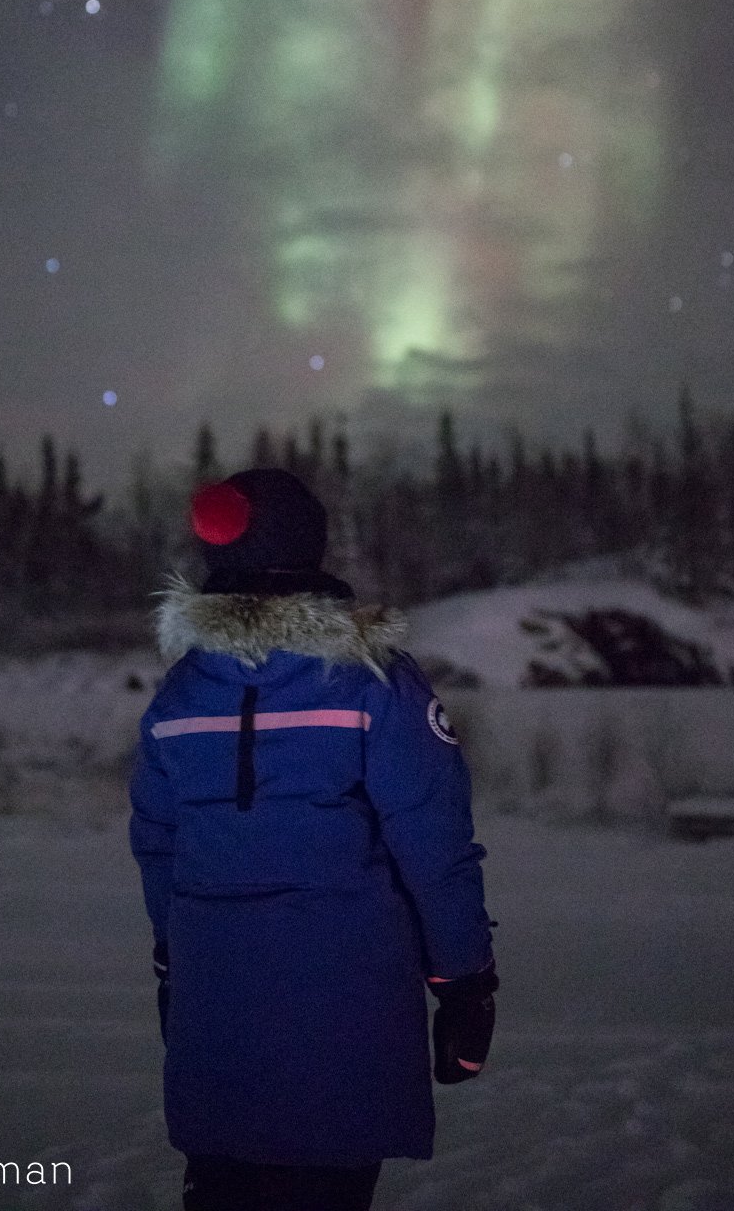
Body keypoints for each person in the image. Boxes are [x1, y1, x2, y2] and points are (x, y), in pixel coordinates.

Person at [128, 467, 498, 1210]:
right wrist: (463, 979)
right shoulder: (371, 684)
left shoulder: (179, 695)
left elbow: (159, 845)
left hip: (215, 1016)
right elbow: (435, 843)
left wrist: (174, 962)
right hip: (346, 1018)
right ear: (310, 549)